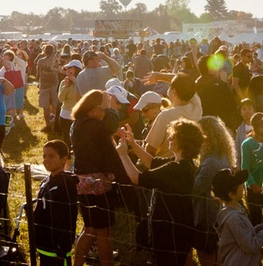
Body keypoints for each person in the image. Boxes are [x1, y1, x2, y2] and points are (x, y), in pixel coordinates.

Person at [116, 118, 205, 266]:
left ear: (183, 141)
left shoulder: (176, 169)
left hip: (170, 233)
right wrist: (132, 143)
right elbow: (151, 163)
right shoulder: (183, 164)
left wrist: (123, 155)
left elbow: (136, 178)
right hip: (176, 228)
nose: (169, 138)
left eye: (173, 136)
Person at [70, 90, 129, 266]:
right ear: (94, 110)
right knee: (102, 231)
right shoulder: (91, 125)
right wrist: (111, 109)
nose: (105, 114)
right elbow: (110, 126)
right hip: (96, 183)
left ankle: (77, 263)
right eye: (103, 110)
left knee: (91, 229)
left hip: (84, 181)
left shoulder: (79, 124)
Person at [213, 168, 263, 266]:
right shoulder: (233, 218)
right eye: (240, 185)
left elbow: (246, 233)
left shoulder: (235, 208)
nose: (243, 186)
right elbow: (250, 246)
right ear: (231, 194)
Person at [192, 116, 237, 266]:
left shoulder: (211, 163)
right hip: (218, 214)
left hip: (207, 218)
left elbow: (194, 190)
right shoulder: (223, 155)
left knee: (208, 258)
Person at [34, 140, 79, 266]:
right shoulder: (46, 181)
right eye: (44, 156)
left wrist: (63, 246)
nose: (46, 160)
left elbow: (68, 216)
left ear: (64, 159)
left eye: (51, 156)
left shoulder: (66, 184)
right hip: (44, 244)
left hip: (58, 248)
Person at [143, 73, 202, 156]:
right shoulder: (196, 106)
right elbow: (182, 80)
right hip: (189, 163)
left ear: (173, 92)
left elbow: (149, 150)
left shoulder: (166, 116)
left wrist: (158, 76)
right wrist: (158, 76)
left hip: (164, 165)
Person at [241, 112, 263, 226]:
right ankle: (256, 241)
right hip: (253, 188)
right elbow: (245, 167)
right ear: (255, 127)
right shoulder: (247, 144)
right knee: (255, 217)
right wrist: (252, 184)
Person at [57, 59, 82, 149]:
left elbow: (84, 96)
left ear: (77, 69)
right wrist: (66, 87)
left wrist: (76, 82)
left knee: (77, 140)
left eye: (70, 68)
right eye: (67, 69)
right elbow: (61, 99)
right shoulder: (64, 82)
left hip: (78, 115)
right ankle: (66, 159)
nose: (67, 71)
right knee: (66, 140)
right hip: (65, 115)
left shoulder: (81, 82)